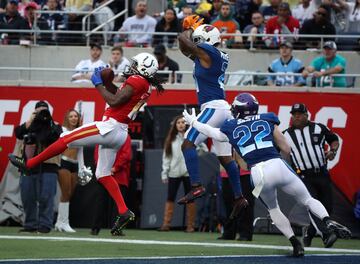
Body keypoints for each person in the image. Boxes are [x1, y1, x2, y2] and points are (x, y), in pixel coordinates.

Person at [9, 52, 165, 235]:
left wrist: (98, 83)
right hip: (120, 132)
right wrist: (106, 83)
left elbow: (114, 101)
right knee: (103, 175)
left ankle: (29, 164)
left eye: (135, 64)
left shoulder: (138, 80)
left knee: (65, 139)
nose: (131, 66)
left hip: (109, 127)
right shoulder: (145, 84)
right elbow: (120, 96)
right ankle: (123, 211)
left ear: (143, 68)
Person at [182, 92, 351, 257]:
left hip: (258, 172)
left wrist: (194, 122)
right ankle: (328, 221)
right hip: (277, 164)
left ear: (238, 110)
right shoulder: (267, 118)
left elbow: (212, 133)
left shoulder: (231, 126)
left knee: (274, 208)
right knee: (308, 200)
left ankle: (295, 243)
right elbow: (285, 147)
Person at [177, 19, 248, 219]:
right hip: (223, 108)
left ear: (208, 40)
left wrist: (187, 30)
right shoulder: (210, 55)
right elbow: (184, 47)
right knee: (225, 159)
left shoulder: (210, 53)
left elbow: (186, 41)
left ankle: (196, 186)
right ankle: (239, 197)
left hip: (213, 107)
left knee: (187, 144)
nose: (197, 44)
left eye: (200, 40)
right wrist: (186, 34)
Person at [283, 103, 341, 247]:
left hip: (321, 172)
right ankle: (326, 235)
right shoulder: (285, 134)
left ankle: (309, 233)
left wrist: (332, 151)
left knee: (326, 207)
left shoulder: (319, 128)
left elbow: (334, 139)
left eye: (299, 114)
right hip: (302, 176)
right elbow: (274, 150)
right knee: (312, 204)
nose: (296, 117)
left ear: (306, 115)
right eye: (294, 114)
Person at [14, 101, 62, 233]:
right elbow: (18, 133)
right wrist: (31, 119)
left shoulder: (55, 126)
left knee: (46, 196)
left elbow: (54, 136)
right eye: (38, 111)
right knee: (27, 196)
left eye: (44, 111)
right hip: (28, 166)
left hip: (49, 166)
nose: (41, 114)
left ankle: (45, 225)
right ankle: (30, 224)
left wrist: (48, 120)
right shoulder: (29, 125)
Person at [158, 115, 208, 233]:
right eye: (178, 122)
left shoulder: (190, 137)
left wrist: (199, 148)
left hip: (188, 173)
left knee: (190, 199)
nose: (180, 124)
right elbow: (166, 157)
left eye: (182, 122)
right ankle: (166, 224)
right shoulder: (171, 139)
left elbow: (204, 150)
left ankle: (190, 226)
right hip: (174, 173)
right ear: (175, 125)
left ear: (186, 124)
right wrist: (164, 173)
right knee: (170, 197)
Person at [91, 135, 132, 236]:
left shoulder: (123, 136)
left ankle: (111, 228)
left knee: (115, 205)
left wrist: (114, 168)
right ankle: (99, 228)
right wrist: (107, 168)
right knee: (101, 202)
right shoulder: (105, 134)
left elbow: (126, 155)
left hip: (115, 174)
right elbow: (97, 153)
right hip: (108, 174)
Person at [54, 109, 81, 233]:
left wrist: (82, 168)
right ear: (67, 118)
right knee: (66, 192)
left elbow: (80, 152)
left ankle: (60, 222)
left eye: (76, 116)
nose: (74, 118)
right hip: (64, 162)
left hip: (75, 165)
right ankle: (65, 223)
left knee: (69, 194)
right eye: (71, 116)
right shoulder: (62, 131)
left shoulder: (81, 132)